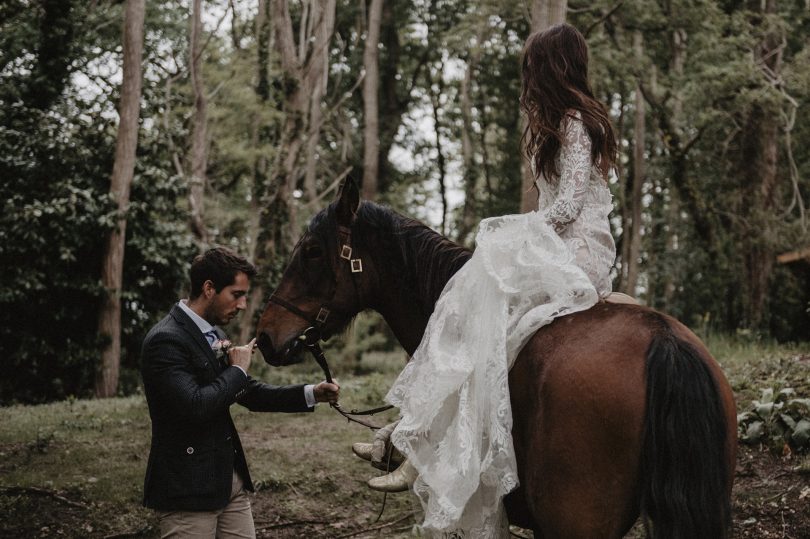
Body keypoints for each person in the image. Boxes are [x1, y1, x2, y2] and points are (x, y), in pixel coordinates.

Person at [361, 23, 618, 537]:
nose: (526, 77)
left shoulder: (573, 122)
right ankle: (414, 434)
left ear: (551, 67)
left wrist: (515, 231)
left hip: (577, 250)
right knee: (471, 300)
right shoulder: (565, 122)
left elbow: (567, 208)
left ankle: (417, 444)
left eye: (532, 66)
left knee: (475, 305)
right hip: (559, 245)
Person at [141, 247, 340, 538]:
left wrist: (311, 394)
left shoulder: (215, 335)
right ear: (209, 288)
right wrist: (237, 371)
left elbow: (248, 393)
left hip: (230, 481)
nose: (244, 304)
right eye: (236, 294)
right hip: (188, 490)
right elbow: (196, 406)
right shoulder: (165, 340)